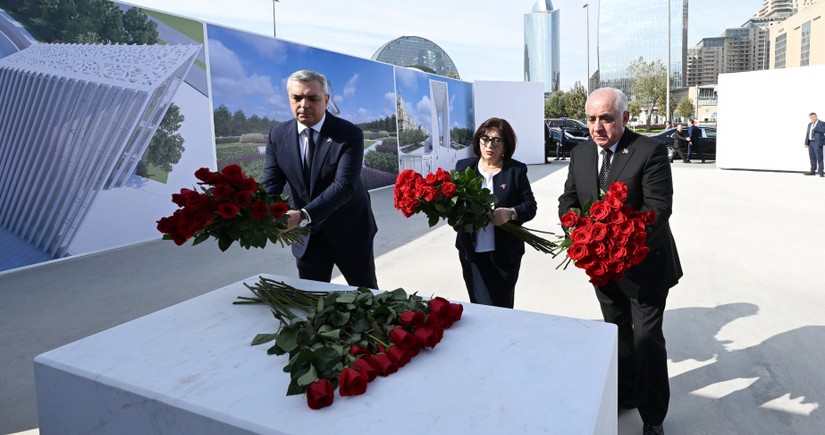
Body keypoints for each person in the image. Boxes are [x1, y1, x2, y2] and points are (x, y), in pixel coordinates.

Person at [558, 87, 682, 435]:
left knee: (647, 342)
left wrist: (619, 244)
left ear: (625, 118)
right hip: (601, 269)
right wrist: (576, 229)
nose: (597, 127)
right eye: (592, 119)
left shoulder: (650, 151)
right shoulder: (581, 153)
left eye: (606, 118)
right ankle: (625, 394)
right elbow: (568, 199)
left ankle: (653, 417)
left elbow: (658, 210)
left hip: (644, 268)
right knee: (617, 336)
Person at [263, 70, 378, 288]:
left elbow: (344, 186)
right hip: (307, 238)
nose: (304, 105)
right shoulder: (277, 136)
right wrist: (257, 212)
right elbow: (271, 184)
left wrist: (302, 216)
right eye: (297, 98)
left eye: (312, 98)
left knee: (366, 294)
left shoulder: (348, 134)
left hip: (350, 232)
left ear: (325, 100)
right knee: (312, 299)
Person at [455, 117, 537, 309]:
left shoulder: (515, 171)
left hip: (504, 256)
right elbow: (454, 205)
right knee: (478, 305)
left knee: (501, 306)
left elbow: (530, 206)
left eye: (496, 140)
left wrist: (511, 213)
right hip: (472, 253)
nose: (489, 145)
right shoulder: (463, 168)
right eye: (485, 139)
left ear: (506, 146)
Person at [803, 112, 825, 177]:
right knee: (812, 158)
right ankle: (813, 171)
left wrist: (815, 128)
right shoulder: (809, 124)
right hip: (811, 143)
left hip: (817, 142)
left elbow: (823, 130)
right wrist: (806, 143)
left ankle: (821, 172)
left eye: (813, 117)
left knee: (819, 158)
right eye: (811, 117)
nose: (812, 118)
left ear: (816, 116)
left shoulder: (822, 123)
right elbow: (807, 133)